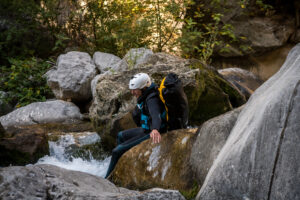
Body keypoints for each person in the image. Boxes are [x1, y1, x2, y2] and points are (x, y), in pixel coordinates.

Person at [105, 73, 167, 178]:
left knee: (116, 151)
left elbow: (156, 116)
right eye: (131, 89)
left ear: (143, 88)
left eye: (135, 90)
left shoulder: (152, 99)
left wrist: (155, 129)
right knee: (120, 135)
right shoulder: (146, 95)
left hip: (152, 132)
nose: (132, 92)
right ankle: (121, 166)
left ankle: (107, 178)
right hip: (146, 129)